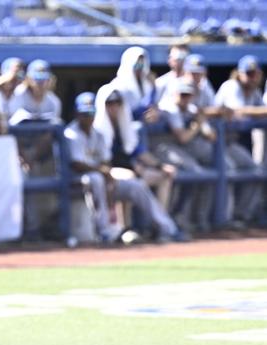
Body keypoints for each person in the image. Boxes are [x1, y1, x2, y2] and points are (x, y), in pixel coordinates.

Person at [66, 92, 182, 243]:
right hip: (79, 179)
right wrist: (103, 172)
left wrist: (107, 173)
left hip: (102, 176)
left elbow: (107, 161)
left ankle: (167, 228)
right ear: (77, 114)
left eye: (91, 112)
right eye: (84, 113)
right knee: (96, 179)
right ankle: (106, 230)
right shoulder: (71, 133)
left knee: (136, 186)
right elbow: (76, 164)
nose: (88, 117)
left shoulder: (98, 133)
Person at [94, 85, 176, 212]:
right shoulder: (97, 130)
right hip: (109, 172)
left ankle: (160, 222)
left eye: (118, 103)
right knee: (130, 178)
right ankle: (126, 227)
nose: (114, 107)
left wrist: (161, 166)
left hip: (132, 168)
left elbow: (139, 152)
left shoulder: (125, 125)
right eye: (110, 103)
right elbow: (102, 162)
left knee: (165, 176)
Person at [214, 55, 267, 225]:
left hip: (229, 143)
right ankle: (225, 218)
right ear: (239, 73)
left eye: (255, 74)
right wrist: (261, 112)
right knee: (228, 170)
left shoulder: (255, 92)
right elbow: (239, 111)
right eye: (248, 73)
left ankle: (241, 215)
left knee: (255, 170)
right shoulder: (231, 86)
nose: (252, 78)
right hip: (212, 141)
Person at [156, 81, 215, 232]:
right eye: (182, 95)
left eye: (188, 95)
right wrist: (196, 126)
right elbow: (183, 138)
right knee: (191, 170)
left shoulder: (192, 108)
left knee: (200, 170)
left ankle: (181, 214)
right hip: (158, 149)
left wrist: (202, 122)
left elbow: (211, 135)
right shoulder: (168, 107)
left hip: (178, 150)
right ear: (174, 94)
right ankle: (171, 216)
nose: (185, 98)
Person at [112, 46, 160, 124]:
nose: (139, 69)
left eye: (142, 65)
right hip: (126, 124)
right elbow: (134, 112)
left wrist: (154, 113)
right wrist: (153, 90)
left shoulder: (147, 83)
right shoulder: (118, 85)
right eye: (136, 65)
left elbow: (152, 106)